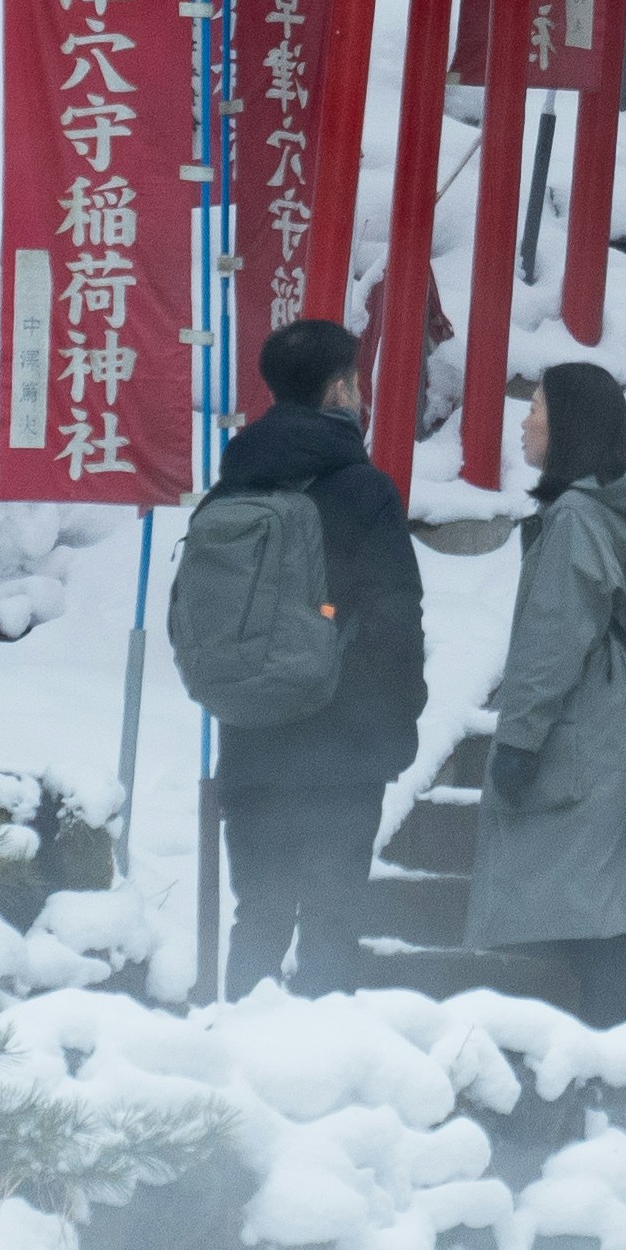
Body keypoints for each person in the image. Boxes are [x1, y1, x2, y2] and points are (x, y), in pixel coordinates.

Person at [464, 360, 626, 1024]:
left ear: (565, 425)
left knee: (593, 925)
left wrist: (516, 742)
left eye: (536, 408)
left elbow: (549, 643)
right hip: (625, 726)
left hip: (587, 732)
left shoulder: (574, 519)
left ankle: (622, 1077)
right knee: (605, 920)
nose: (525, 422)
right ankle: (623, 1073)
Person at [202, 320, 424, 999]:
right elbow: (396, 620)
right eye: (357, 380)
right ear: (337, 390)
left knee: (259, 915)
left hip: (251, 741)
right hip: (343, 746)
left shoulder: (231, 490)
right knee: (331, 919)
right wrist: (399, 718)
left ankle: (233, 1062)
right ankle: (323, 1077)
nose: (362, 392)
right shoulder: (364, 492)